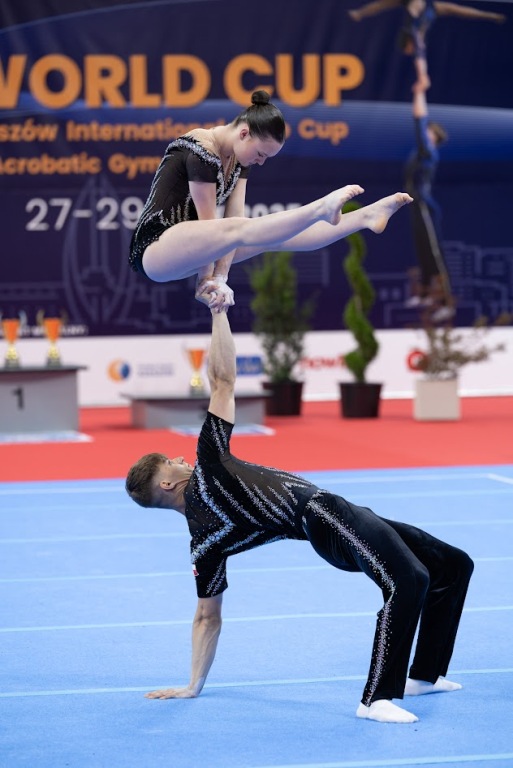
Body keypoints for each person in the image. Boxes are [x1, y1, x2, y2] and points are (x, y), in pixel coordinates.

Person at [125, 306, 474, 724]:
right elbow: (223, 381)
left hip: (333, 519)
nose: (182, 458)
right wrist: (219, 312)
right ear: (167, 484)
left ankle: (424, 675)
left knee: (453, 565)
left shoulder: (204, 544)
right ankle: (375, 699)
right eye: (172, 462)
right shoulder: (209, 470)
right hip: (324, 517)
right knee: (407, 579)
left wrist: (193, 684)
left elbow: (206, 617)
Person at [129, 89, 413, 311]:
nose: (261, 162)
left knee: (274, 235)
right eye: (261, 154)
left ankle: (364, 217)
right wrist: (207, 281)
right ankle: (320, 207)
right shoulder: (201, 151)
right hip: (155, 249)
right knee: (238, 229)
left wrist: (221, 278)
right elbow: (210, 229)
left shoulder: (239, 159)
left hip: (190, 250)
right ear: (243, 133)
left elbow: (233, 220)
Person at [404, 63, 454, 319]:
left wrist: (419, 92)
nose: (424, 133)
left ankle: (446, 302)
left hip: (425, 206)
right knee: (422, 250)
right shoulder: (422, 152)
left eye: (428, 132)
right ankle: (424, 294)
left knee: (434, 254)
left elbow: (419, 119)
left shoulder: (428, 152)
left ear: (433, 137)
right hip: (416, 204)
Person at [348, 0, 505, 63]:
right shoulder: (408, 3)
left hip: (416, 38)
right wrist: (360, 13)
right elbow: (380, 5)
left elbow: (465, 11)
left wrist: (490, 16)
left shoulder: (436, 8)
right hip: (412, 36)